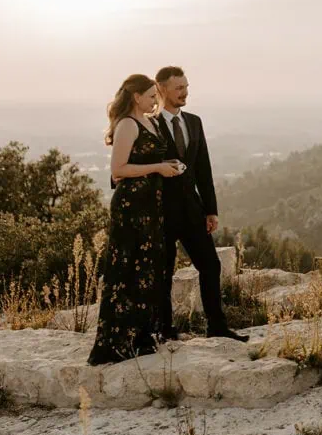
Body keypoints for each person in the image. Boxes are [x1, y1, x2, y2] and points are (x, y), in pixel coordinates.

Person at [89, 75, 181, 365]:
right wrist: (158, 168)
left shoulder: (150, 121)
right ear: (136, 96)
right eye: (152, 95)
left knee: (149, 269)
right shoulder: (128, 124)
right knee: (127, 271)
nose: (156, 100)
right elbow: (118, 170)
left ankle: (143, 337)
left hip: (150, 207)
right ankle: (118, 341)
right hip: (131, 208)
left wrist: (169, 167)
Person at [153, 66, 247, 342]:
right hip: (162, 212)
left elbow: (203, 169)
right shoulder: (149, 124)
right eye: (179, 88)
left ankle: (217, 327)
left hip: (193, 210)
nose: (185, 93)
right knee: (163, 271)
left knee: (210, 265)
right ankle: (165, 330)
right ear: (162, 90)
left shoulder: (194, 122)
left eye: (186, 87)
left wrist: (211, 209)